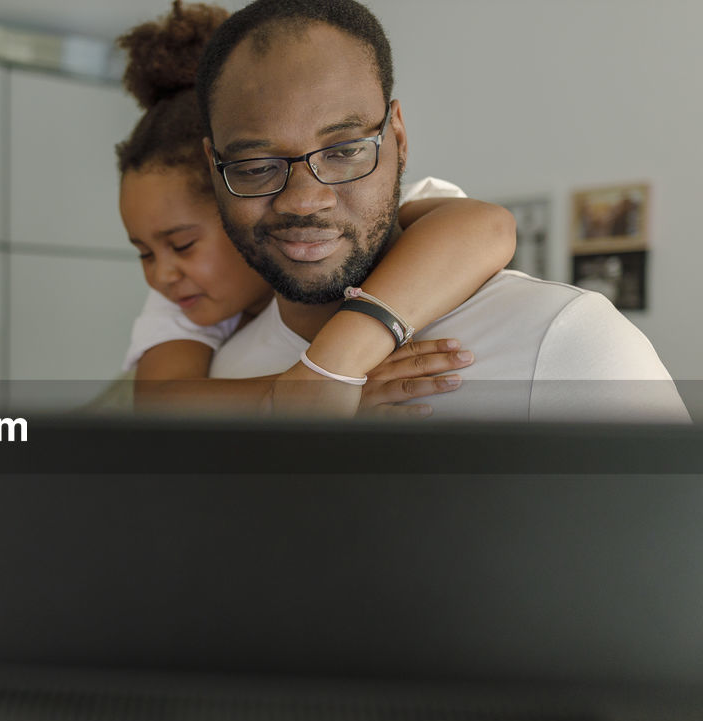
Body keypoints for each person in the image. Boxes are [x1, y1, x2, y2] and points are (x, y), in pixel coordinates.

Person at [195, 0, 687, 421]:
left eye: (345, 151)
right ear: (212, 167)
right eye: (255, 165)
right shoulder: (228, 371)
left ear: (399, 139)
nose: (304, 200)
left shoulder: (566, 342)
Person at [115, 1, 517, 417]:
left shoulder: (363, 213)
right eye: (143, 253)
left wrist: (335, 365)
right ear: (225, 191)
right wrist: (309, 391)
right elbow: (161, 401)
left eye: (182, 244)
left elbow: (487, 226)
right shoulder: (181, 301)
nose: (161, 275)